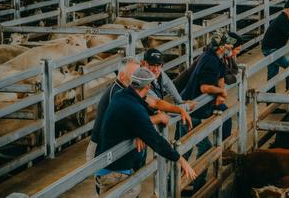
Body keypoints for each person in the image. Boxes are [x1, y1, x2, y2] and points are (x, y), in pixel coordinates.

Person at [96, 68, 197, 195]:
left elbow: (146, 108)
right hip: (115, 170)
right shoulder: (134, 108)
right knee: (133, 190)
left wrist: (138, 131)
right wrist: (181, 160)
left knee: (133, 189)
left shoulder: (122, 95)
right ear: (148, 86)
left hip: (106, 165)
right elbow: (156, 141)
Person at [177, 30, 236, 190]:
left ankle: (224, 149)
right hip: (192, 110)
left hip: (199, 107)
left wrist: (220, 95)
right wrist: (220, 92)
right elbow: (205, 87)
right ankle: (194, 183)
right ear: (222, 47)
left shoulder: (216, 58)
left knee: (225, 113)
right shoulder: (210, 60)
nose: (231, 47)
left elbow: (220, 79)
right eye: (228, 45)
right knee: (197, 148)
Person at [142, 48, 196, 113]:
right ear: (144, 63)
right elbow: (158, 104)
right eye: (152, 65)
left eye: (158, 65)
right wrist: (186, 107)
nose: (156, 69)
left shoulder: (159, 71)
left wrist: (180, 101)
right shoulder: (142, 81)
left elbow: (168, 83)